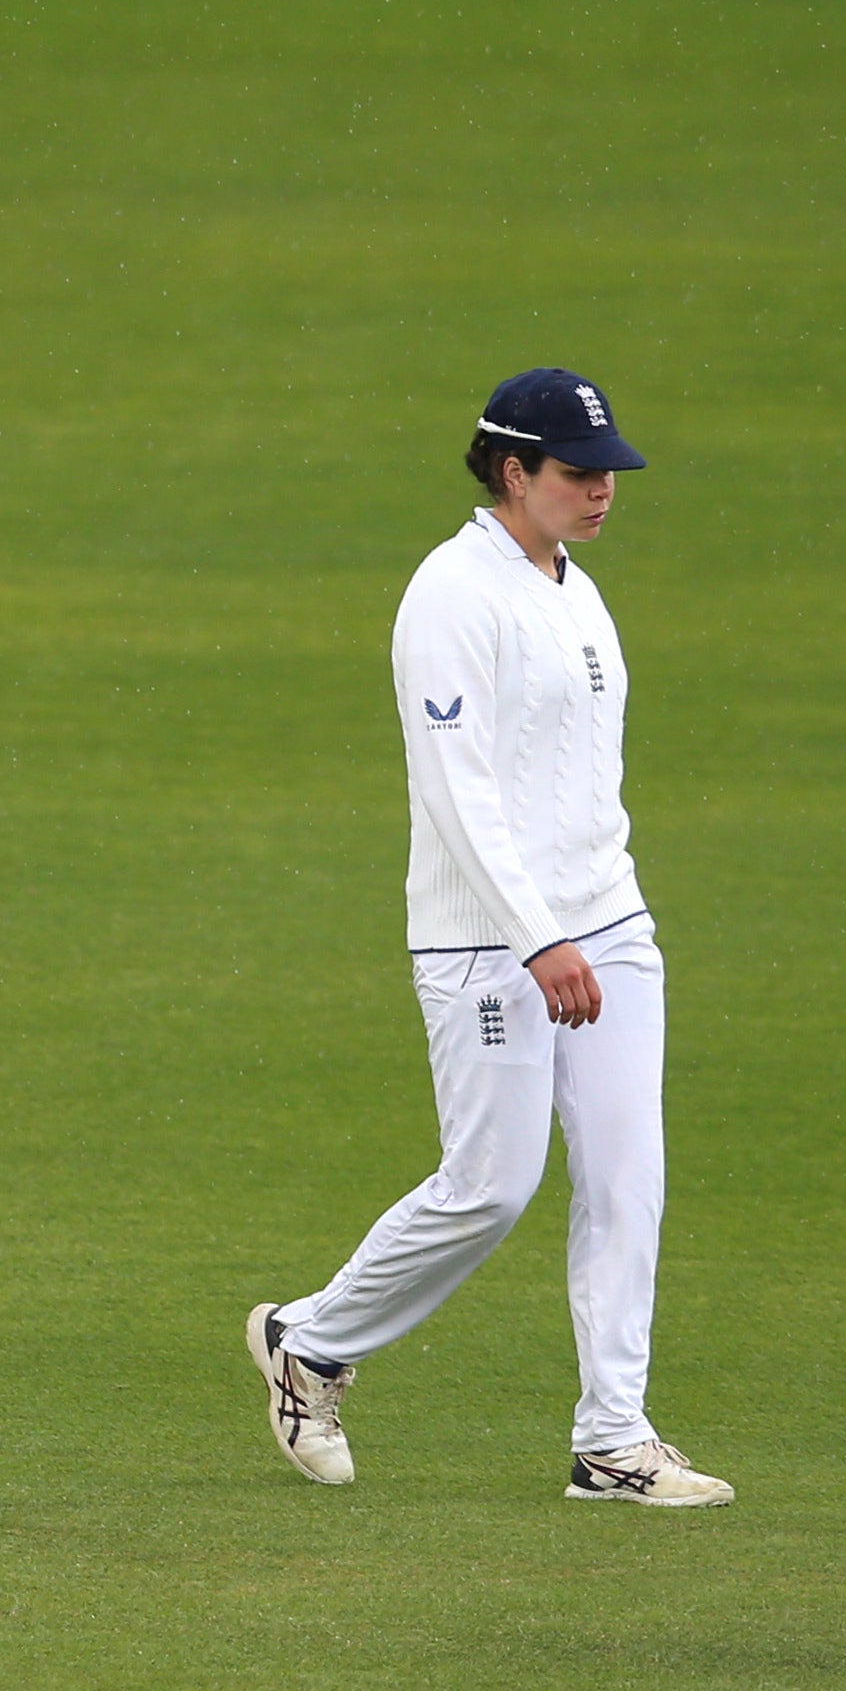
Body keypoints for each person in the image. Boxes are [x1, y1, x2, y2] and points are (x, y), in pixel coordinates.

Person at [244, 368, 731, 1507]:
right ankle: (310, 1343)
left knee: (625, 1178)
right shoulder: (449, 595)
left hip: (606, 920)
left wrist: (591, 915)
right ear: (512, 472)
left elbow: (579, 778)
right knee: (492, 1186)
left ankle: (612, 1438)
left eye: (607, 471)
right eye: (575, 471)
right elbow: (457, 791)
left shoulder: (572, 587)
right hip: (488, 942)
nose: (601, 490)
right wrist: (534, 934)